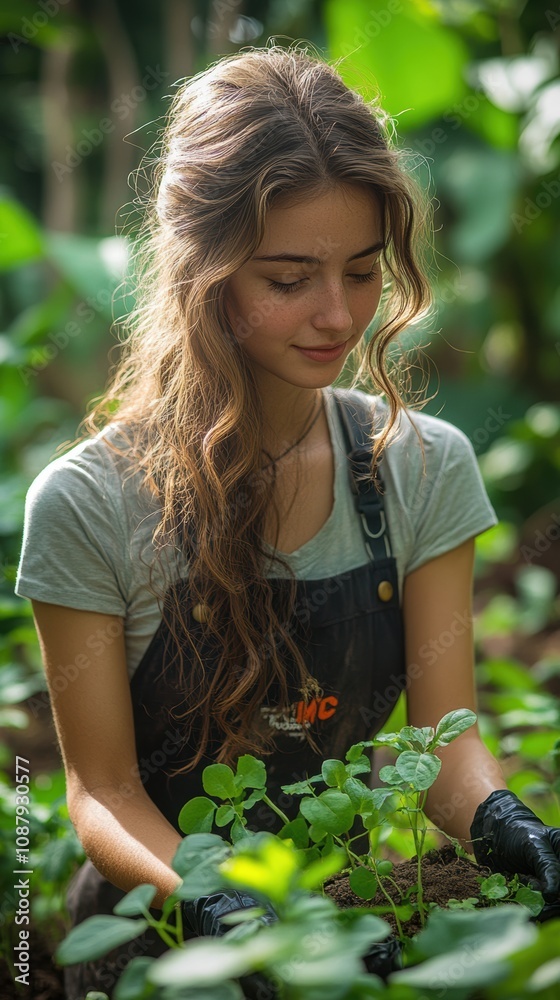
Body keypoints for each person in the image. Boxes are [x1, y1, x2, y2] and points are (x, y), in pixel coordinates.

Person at [15, 43, 560, 1000]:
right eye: (287, 278)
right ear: (203, 271)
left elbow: (443, 745)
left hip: (351, 913)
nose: (338, 314)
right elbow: (100, 792)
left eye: (361, 271)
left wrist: (507, 819)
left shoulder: (422, 468)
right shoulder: (91, 502)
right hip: (162, 946)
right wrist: (221, 900)